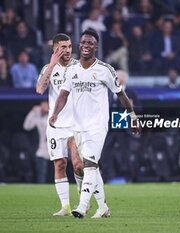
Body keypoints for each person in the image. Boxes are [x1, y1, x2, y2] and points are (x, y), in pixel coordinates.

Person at [49, 28, 140, 219]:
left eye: (90, 43)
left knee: (89, 164)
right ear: (80, 44)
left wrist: (132, 116)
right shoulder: (72, 70)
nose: (86, 46)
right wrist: (55, 113)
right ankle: (103, 207)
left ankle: (82, 206)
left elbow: (121, 95)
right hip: (78, 126)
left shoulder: (105, 70)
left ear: (96, 47)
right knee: (92, 166)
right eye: (83, 42)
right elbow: (63, 94)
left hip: (98, 126)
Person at [36, 33, 83, 216]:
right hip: (56, 125)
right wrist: (52, 64)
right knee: (60, 164)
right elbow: (40, 89)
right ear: (55, 49)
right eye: (63, 47)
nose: (68, 50)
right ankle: (65, 207)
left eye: (70, 46)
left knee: (78, 164)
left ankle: (82, 202)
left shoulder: (79, 66)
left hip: (76, 124)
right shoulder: (49, 68)